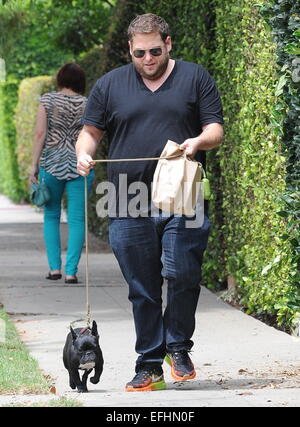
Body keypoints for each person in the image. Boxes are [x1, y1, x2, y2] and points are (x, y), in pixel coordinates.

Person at [76, 14, 224, 391]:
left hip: (181, 195)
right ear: (130, 48)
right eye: (139, 53)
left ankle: (178, 348)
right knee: (141, 287)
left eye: (155, 51)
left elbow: (215, 128)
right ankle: (149, 365)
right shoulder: (110, 85)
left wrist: (198, 142)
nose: (148, 59)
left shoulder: (194, 77)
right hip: (126, 198)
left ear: (169, 43)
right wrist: (83, 153)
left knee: (182, 274)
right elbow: (90, 131)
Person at [29, 63, 94, 284]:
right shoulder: (87, 104)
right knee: (77, 219)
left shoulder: (47, 101)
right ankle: (71, 272)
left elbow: (40, 133)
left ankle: (55, 269)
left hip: (52, 164)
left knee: (51, 216)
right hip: (79, 164)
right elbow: (94, 133)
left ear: (60, 79)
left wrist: (33, 166)